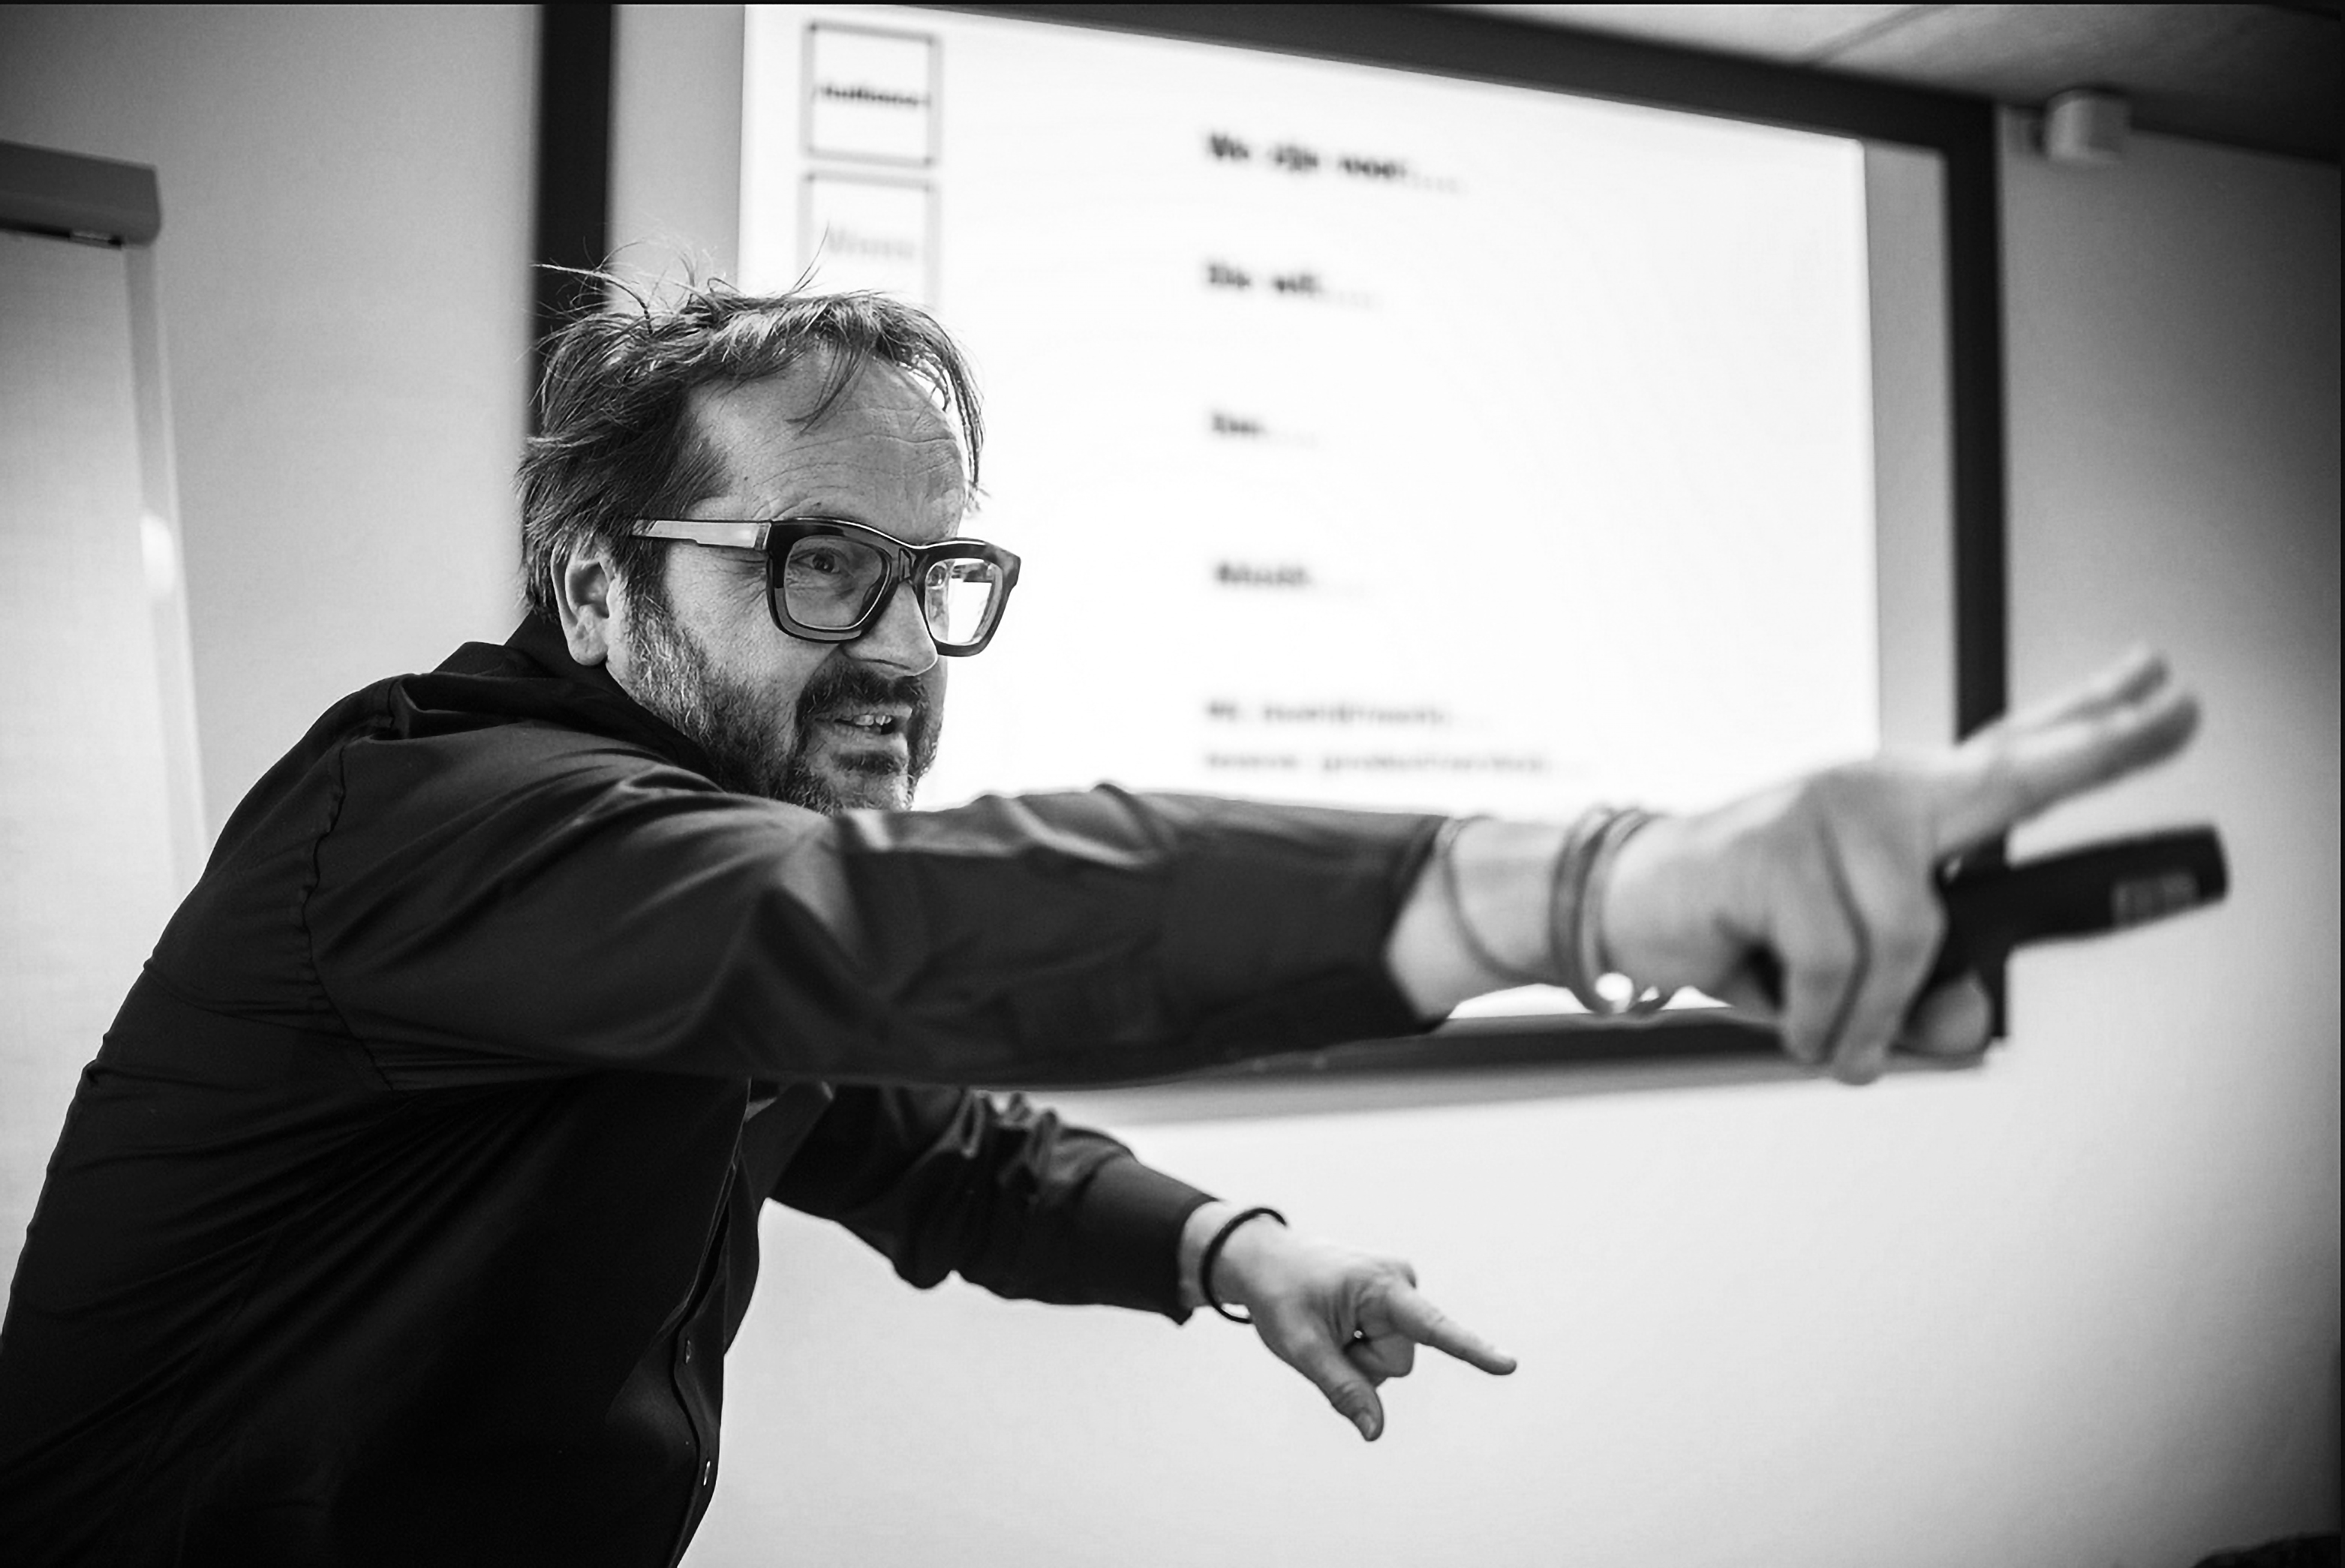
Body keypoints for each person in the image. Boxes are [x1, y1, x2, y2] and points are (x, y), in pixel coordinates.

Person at [0, 283, 2198, 1567]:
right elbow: (905, 937)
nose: (899, 645)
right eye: (819, 563)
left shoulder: (668, 905)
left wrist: (1230, 1248)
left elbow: (910, 1126)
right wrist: (1601, 881)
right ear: (595, 585)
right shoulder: (443, 825)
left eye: (936, 575)